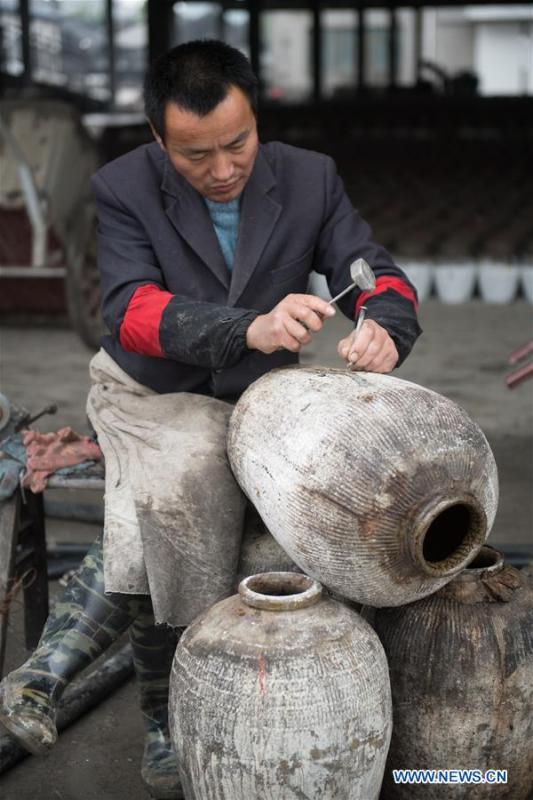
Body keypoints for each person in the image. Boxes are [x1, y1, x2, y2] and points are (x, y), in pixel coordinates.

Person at [0, 40, 421, 798]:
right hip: (146, 390)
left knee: (306, 493)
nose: (224, 169)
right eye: (196, 155)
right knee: (188, 473)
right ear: (160, 140)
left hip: (253, 399)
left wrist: (383, 322)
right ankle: (169, 717)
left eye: (238, 143)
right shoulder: (123, 185)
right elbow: (128, 310)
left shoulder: (308, 177)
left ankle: (54, 673)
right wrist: (247, 328)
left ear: (256, 117)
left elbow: (369, 270)